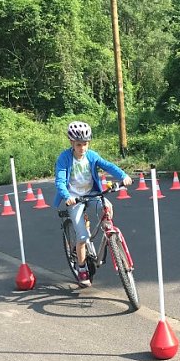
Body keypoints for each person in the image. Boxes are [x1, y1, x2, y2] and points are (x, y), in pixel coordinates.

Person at [54, 121, 132, 287]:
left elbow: (108, 165)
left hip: (92, 194)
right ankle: (82, 268)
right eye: (79, 144)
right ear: (71, 143)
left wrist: (123, 175)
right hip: (74, 198)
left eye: (85, 144)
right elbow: (60, 180)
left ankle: (109, 235)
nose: (82, 148)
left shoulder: (92, 156)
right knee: (82, 236)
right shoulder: (64, 158)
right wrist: (67, 196)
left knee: (107, 207)